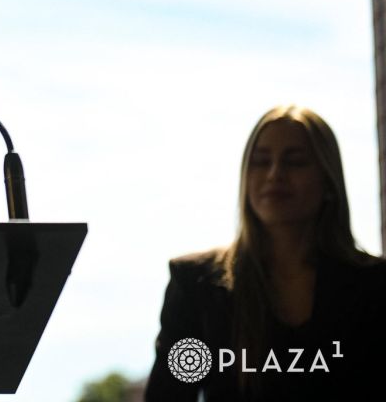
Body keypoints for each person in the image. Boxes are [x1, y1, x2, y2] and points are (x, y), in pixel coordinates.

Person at [145, 105, 386, 401]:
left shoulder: (374, 286)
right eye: (260, 161)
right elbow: (169, 395)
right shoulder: (198, 285)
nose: (275, 174)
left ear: (328, 181)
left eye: (295, 162)